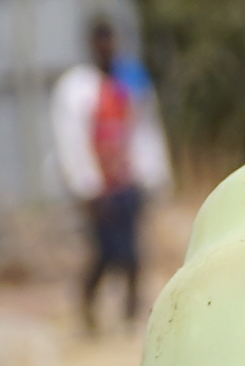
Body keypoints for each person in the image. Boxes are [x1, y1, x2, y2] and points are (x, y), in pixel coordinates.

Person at [49, 18, 163, 332]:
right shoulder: (77, 88)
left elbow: (145, 130)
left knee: (133, 254)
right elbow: (70, 140)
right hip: (99, 189)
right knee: (106, 253)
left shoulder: (130, 81)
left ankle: (131, 316)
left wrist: (152, 174)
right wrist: (85, 186)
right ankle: (87, 307)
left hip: (127, 180)